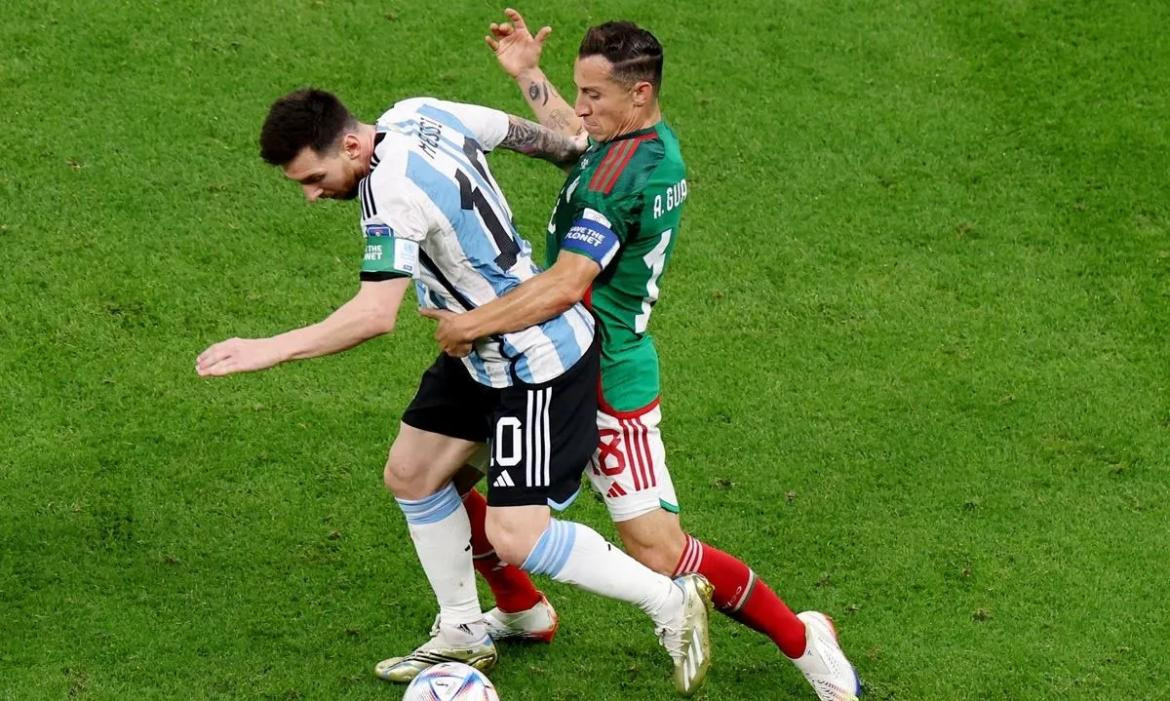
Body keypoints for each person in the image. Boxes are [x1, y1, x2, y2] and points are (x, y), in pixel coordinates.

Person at [195, 89, 713, 696]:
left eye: (314, 177)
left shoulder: (386, 193)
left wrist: (268, 348)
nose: (311, 193)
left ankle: (669, 600)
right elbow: (547, 142)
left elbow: (373, 315)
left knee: (516, 535)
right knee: (411, 474)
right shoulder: (419, 112)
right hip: (474, 349)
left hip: (533, 357)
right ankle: (464, 629)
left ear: (353, 146)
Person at [422, 12, 861, 701]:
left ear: (641, 94)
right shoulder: (638, 142)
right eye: (580, 89)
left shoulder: (618, 180)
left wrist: (469, 322)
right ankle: (519, 608)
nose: (583, 108)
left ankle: (807, 640)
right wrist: (528, 76)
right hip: (540, 357)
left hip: (603, 373)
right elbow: (577, 138)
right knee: (431, 469)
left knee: (661, 552)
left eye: (594, 95)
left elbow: (568, 283)